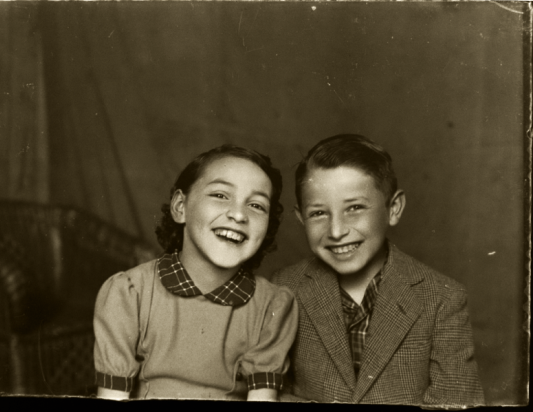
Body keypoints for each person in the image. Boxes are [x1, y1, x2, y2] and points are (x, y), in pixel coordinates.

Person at [272, 134, 484, 406]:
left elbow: (457, 400)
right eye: (319, 213)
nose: (337, 231)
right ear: (301, 218)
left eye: (355, 208)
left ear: (393, 209)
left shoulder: (442, 298)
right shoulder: (285, 287)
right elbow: (267, 389)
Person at [93, 145, 298, 401]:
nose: (238, 214)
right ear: (180, 207)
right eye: (221, 195)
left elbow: (262, 399)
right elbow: (112, 397)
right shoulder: (129, 292)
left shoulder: (271, 305)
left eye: (256, 205)